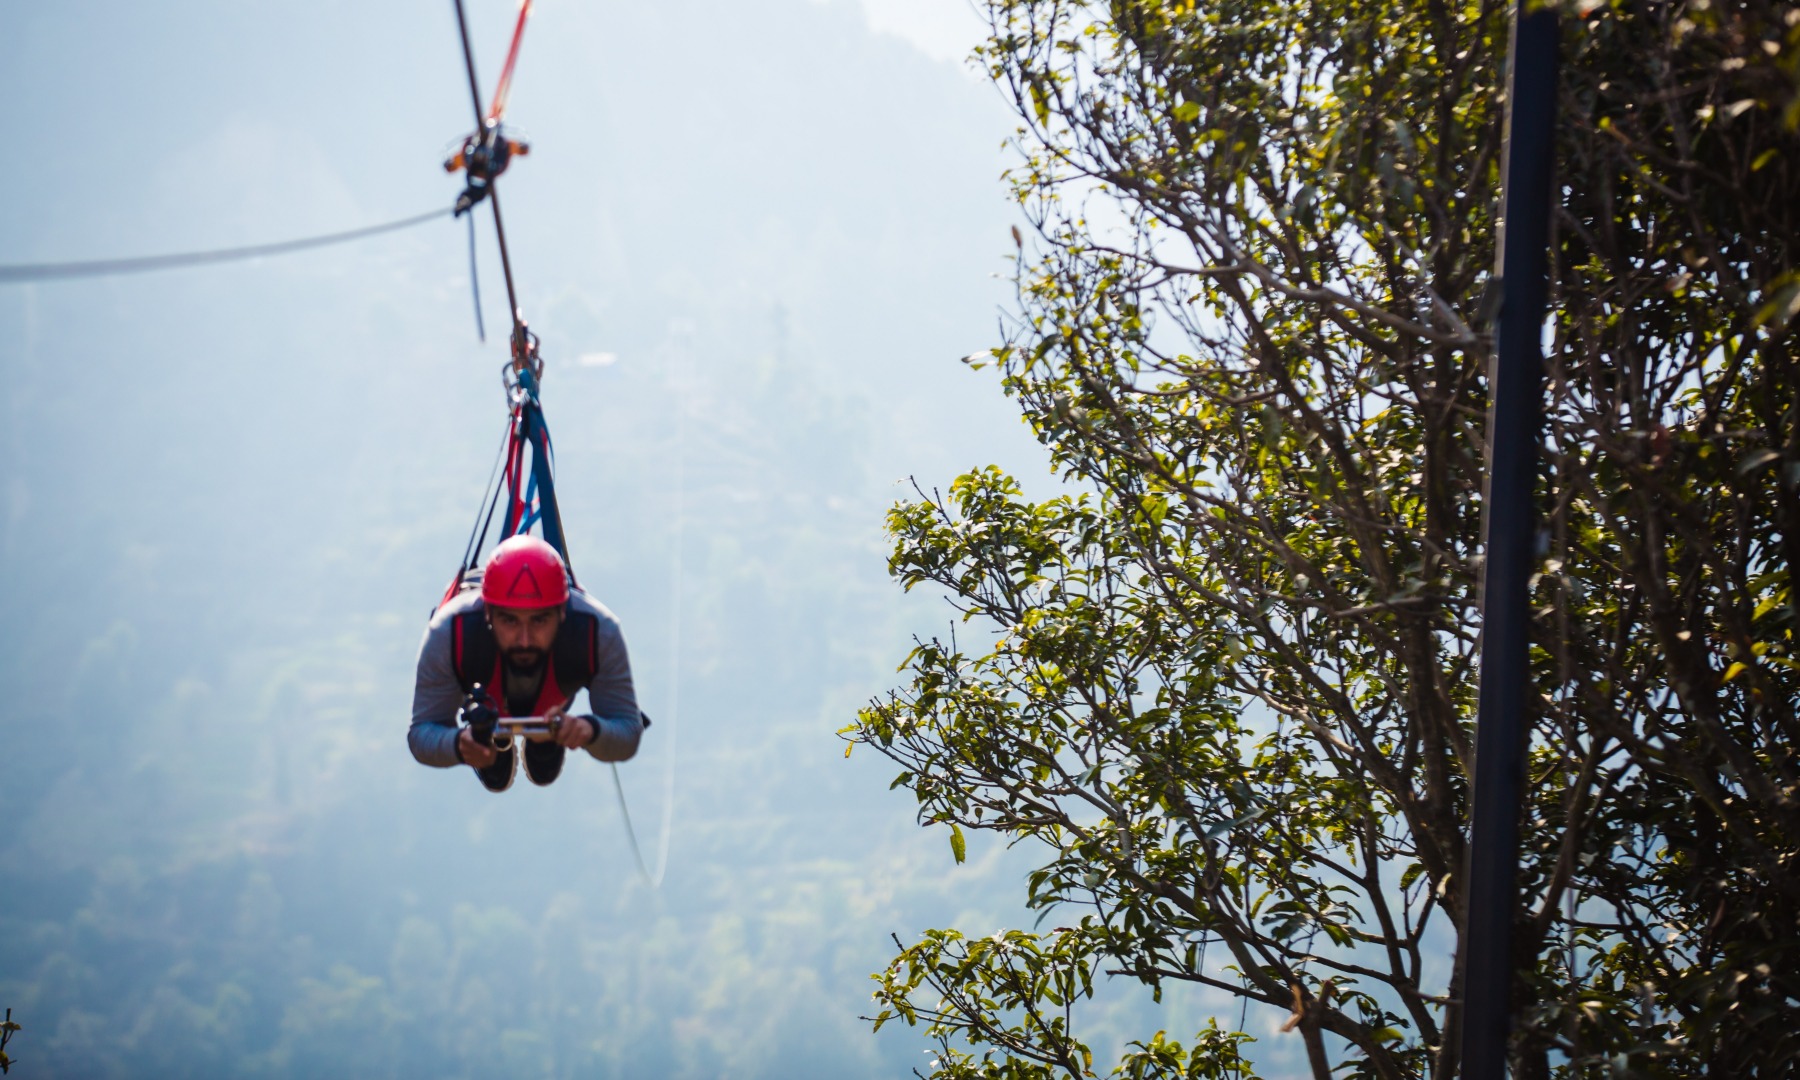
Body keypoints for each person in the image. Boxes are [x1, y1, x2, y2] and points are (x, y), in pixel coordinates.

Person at [410, 534, 643, 791]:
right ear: (488, 613)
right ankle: (506, 740)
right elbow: (421, 734)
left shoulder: (599, 633)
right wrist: (459, 745)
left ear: (562, 612)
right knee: (496, 771)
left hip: (549, 690)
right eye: (509, 620)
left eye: (539, 620)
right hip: (504, 684)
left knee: (541, 769)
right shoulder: (448, 633)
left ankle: (544, 738)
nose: (524, 639)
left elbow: (628, 732)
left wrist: (588, 730)